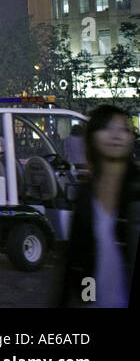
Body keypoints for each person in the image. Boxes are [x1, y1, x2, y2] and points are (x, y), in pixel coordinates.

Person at [57, 104, 140, 308]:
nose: (116, 134)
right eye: (107, 128)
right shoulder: (86, 195)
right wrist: (87, 299)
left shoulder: (135, 189)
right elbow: (80, 261)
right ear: (92, 137)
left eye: (123, 128)